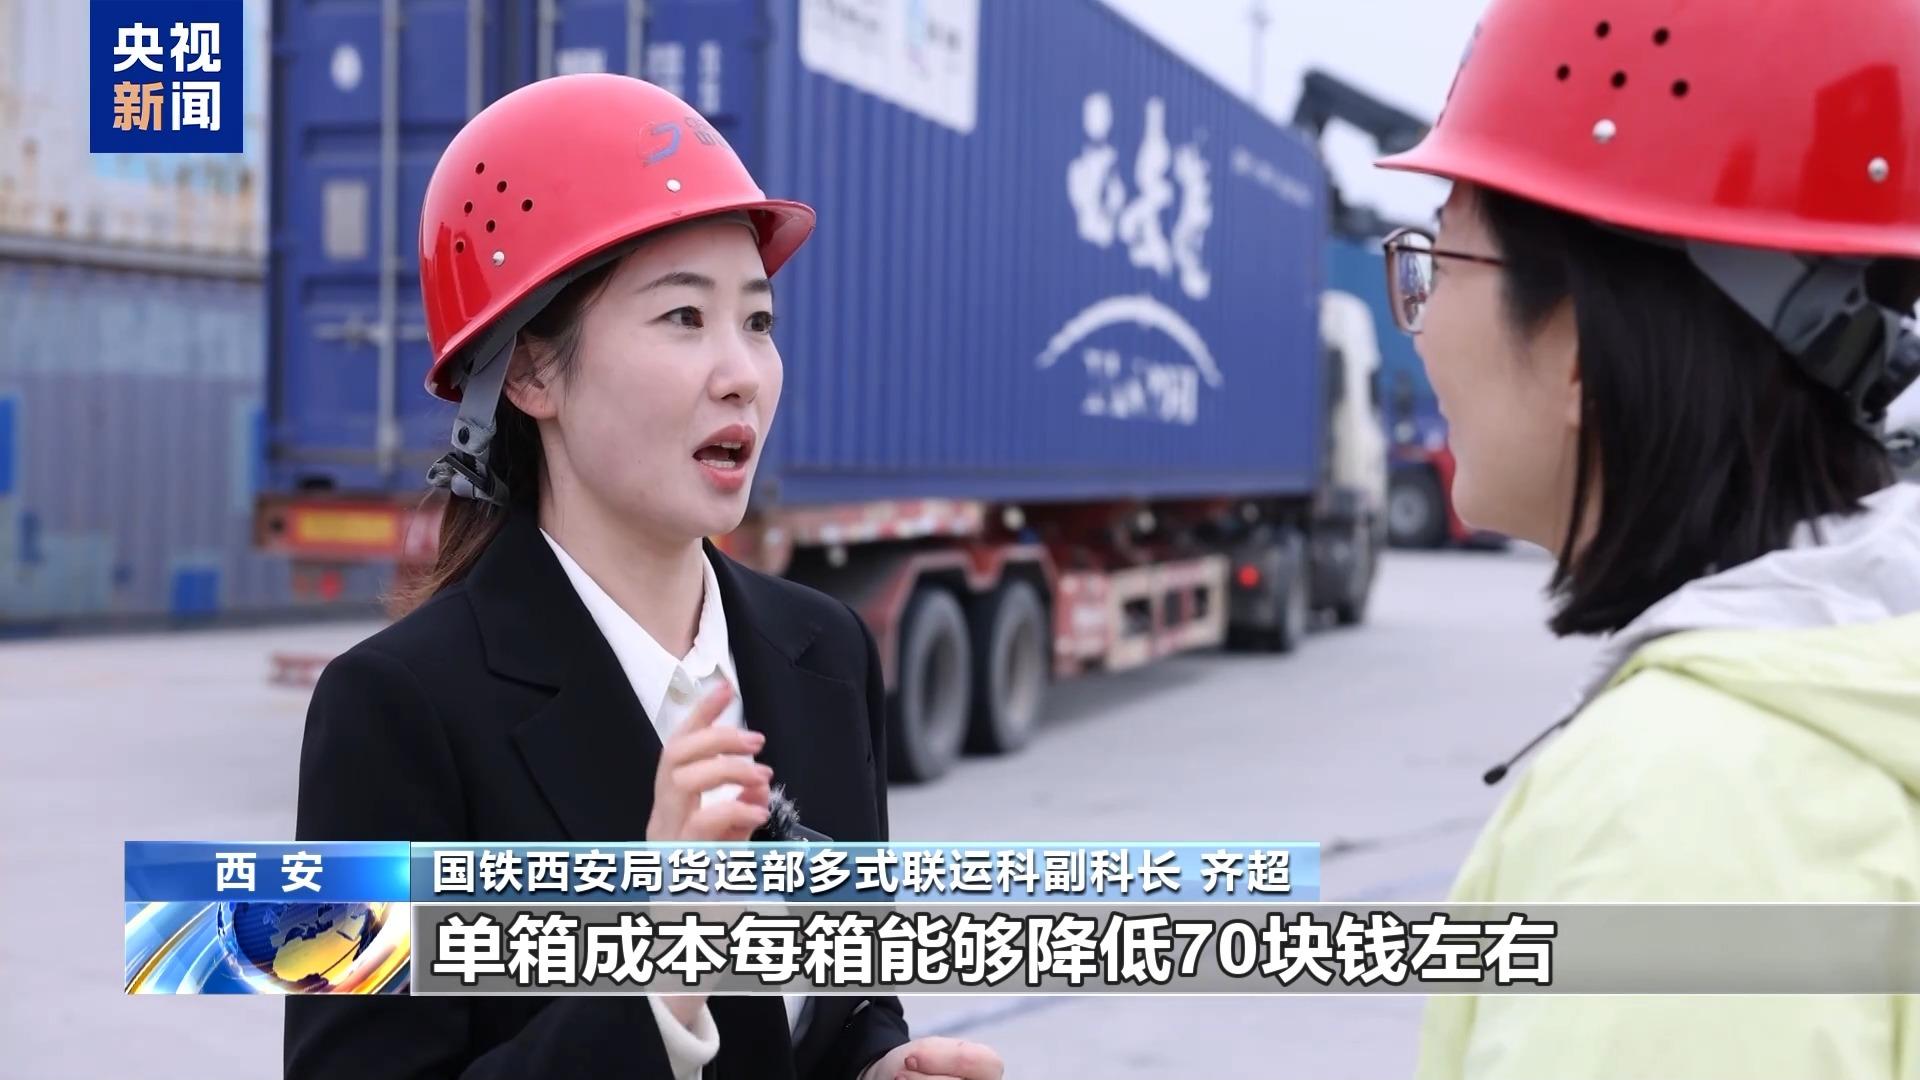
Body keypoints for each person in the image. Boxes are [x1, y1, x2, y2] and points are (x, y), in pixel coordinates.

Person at [285, 74, 1003, 1080]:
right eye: (683, 317)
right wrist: (659, 965)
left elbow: (849, 1007)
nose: (742, 374)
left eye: (758, 322)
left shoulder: (827, 654)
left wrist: (879, 1066)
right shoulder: (394, 711)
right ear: (530, 372)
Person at [1373, 2, 1920, 1077]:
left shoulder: (1677, 811)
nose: (1422, 323)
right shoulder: (1857, 675)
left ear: (1577, 339)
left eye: (1443, 256)